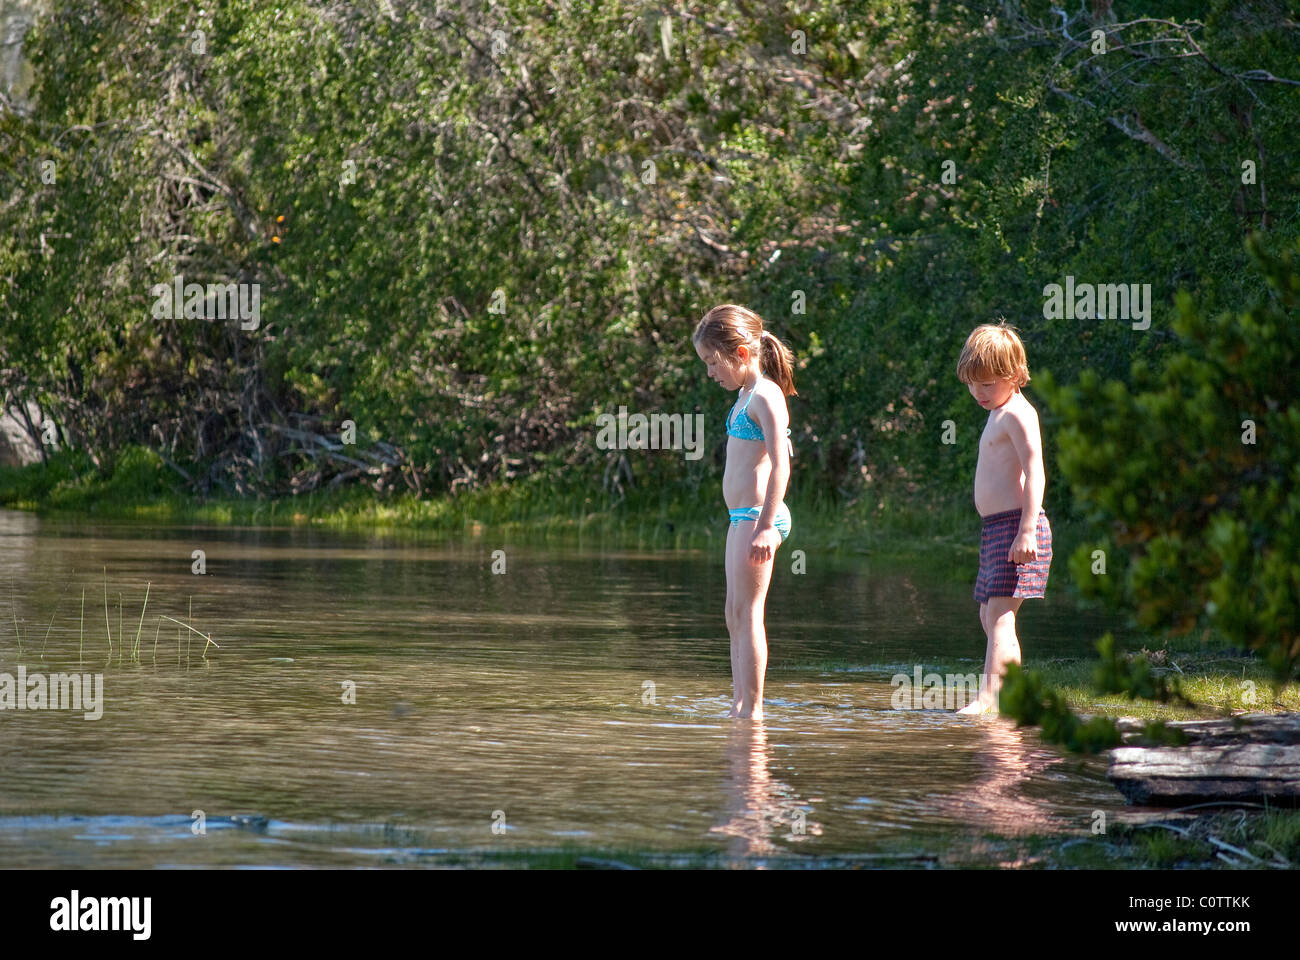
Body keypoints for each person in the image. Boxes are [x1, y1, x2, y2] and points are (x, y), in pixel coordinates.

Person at [691, 305, 797, 720]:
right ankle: (740, 702)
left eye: (712, 363)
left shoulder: (766, 395)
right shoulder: (745, 395)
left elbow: (781, 463)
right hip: (743, 517)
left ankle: (751, 710)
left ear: (739, 353)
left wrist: (768, 526)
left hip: (758, 517)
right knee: (734, 611)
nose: (709, 372)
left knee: (749, 612)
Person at [955, 321, 1052, 715]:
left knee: (999, 617)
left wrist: (1027, 529)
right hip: (997, 529)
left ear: (1014, 376)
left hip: (1018, 527)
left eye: (988, 384)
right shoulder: (998, 411)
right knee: (991, 615)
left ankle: (990, 700)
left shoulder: (1017, 414)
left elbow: (1036, 470)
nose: (979, 392)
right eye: (973, 384)